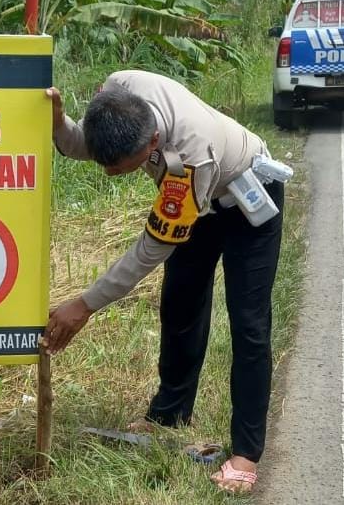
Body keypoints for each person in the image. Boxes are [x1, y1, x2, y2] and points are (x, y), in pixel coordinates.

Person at [43, 70, 285, 494]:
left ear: (152, 143)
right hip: (200, 204)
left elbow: (149, 252)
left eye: (118, 168)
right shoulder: (118, 91)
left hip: (246, 202)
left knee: (249, 325)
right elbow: (88, 142)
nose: (110, 174)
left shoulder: (193, 156)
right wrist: (60, 123)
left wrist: (83, 305)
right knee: (180, 305)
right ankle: (171, 412)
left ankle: (246, 453)